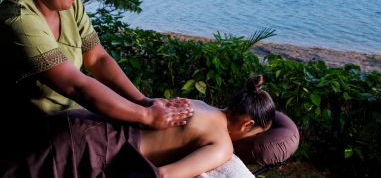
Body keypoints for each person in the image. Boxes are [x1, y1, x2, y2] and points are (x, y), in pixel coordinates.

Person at [0, 0, 193, 175]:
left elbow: (97, 59)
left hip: (68, 120)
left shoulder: (70, 7)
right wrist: (147, 116)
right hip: (29, 133)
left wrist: (143, 102)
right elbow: (75, 85)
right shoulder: (18, 18)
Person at [17, 74, 274, 177]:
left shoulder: (198, 103)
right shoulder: (222, 146)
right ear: (247, 123)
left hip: (81, 120)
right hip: (94, 149)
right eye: (255, 133)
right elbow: (163, 175)